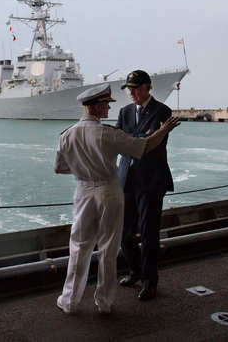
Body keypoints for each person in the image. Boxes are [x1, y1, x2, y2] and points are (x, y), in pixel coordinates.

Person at [54, 83, 180, 314]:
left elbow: (59, 168)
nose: (109, 109)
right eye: (106, 105)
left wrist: (85, 169)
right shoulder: (108, 134)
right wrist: (164, 130)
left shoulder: (66, 135)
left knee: (79, 248)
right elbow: (144, 146)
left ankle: (70, 301)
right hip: (108, 192)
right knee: (108, 249)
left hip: (83, 192)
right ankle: (104, 302)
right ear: (97, 107)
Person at [116, 70, 175, 301]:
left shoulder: (163, 111)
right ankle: (134, 271)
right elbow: (120, 144)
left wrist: (137, 140)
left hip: (151, 181)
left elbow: (156, 145)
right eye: (129, 89)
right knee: (124, 232)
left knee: (149, 233)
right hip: (127, 180)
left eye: (135, 88)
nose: (131, 93)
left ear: (148, 87)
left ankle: (150, 282)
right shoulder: (125, 111)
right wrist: (145, 138)